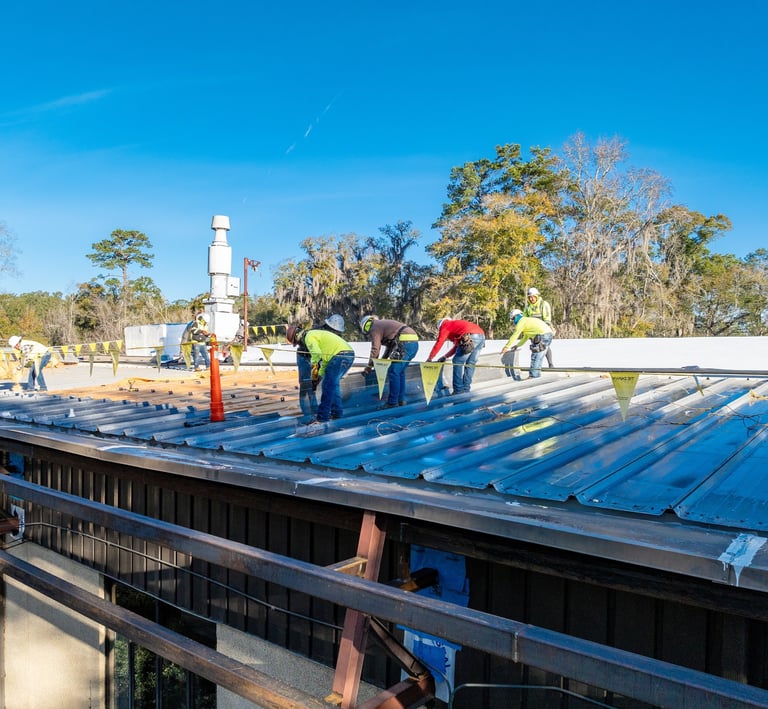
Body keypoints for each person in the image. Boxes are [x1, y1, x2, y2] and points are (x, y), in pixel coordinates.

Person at [286, 324, 355, 423]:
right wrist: (319, 376)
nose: (298, 345)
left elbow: (316, 355)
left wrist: (314, 371)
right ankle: (336, 413)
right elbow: (325, 361)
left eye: (296, 343)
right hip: (346, 355)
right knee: (333, 385)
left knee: (327, 386)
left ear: (297, 337)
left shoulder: (308, 337)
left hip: (340, 356)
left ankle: (322, 417)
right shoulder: (314, 335)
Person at [359, 315, 419, 407]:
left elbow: (375, 348)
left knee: (393, 371)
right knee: (400, 372)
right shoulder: (382, 325)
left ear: (366, 326)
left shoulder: (374, 327)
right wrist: (382, 361)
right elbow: (390, 348)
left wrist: (369, 366)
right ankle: (401, 400)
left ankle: (392, 402)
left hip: (404, 343)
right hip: (413, 343)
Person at [427, 318, 485, 394]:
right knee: (471, 363)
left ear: (439, 326)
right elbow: (457, 347)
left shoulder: (445, 325)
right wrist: (445, 356)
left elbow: (439, 342)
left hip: (471, 336)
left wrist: (430, 358)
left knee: (457, 361)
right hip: (481, 336)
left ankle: (458, 390)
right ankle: (466, 389)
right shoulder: (456, 327)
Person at [501, 309, 554, 379]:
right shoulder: (526, 321)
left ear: (517, 316)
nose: (513, 321)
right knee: (539, 356)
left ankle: (534, 375)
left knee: (536, 356)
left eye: (513, 319)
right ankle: (536, 375)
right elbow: (525, 337)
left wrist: (506, 347)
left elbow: (515, 335)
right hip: (548, 334)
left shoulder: (521, 322)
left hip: (543, 335)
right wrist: (517, 345)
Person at [523, 287, 554, 368]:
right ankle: (536, 366)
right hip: (533, 331)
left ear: (537, 296)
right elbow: (525, 320)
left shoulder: (543, 304)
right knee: (535, 347)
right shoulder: (527, 308)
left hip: (543, 329)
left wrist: (543, 331)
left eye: (533, 296)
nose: (531, 298)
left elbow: (547, 318)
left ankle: (550, 364)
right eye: (530, 297)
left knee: (544, 345)